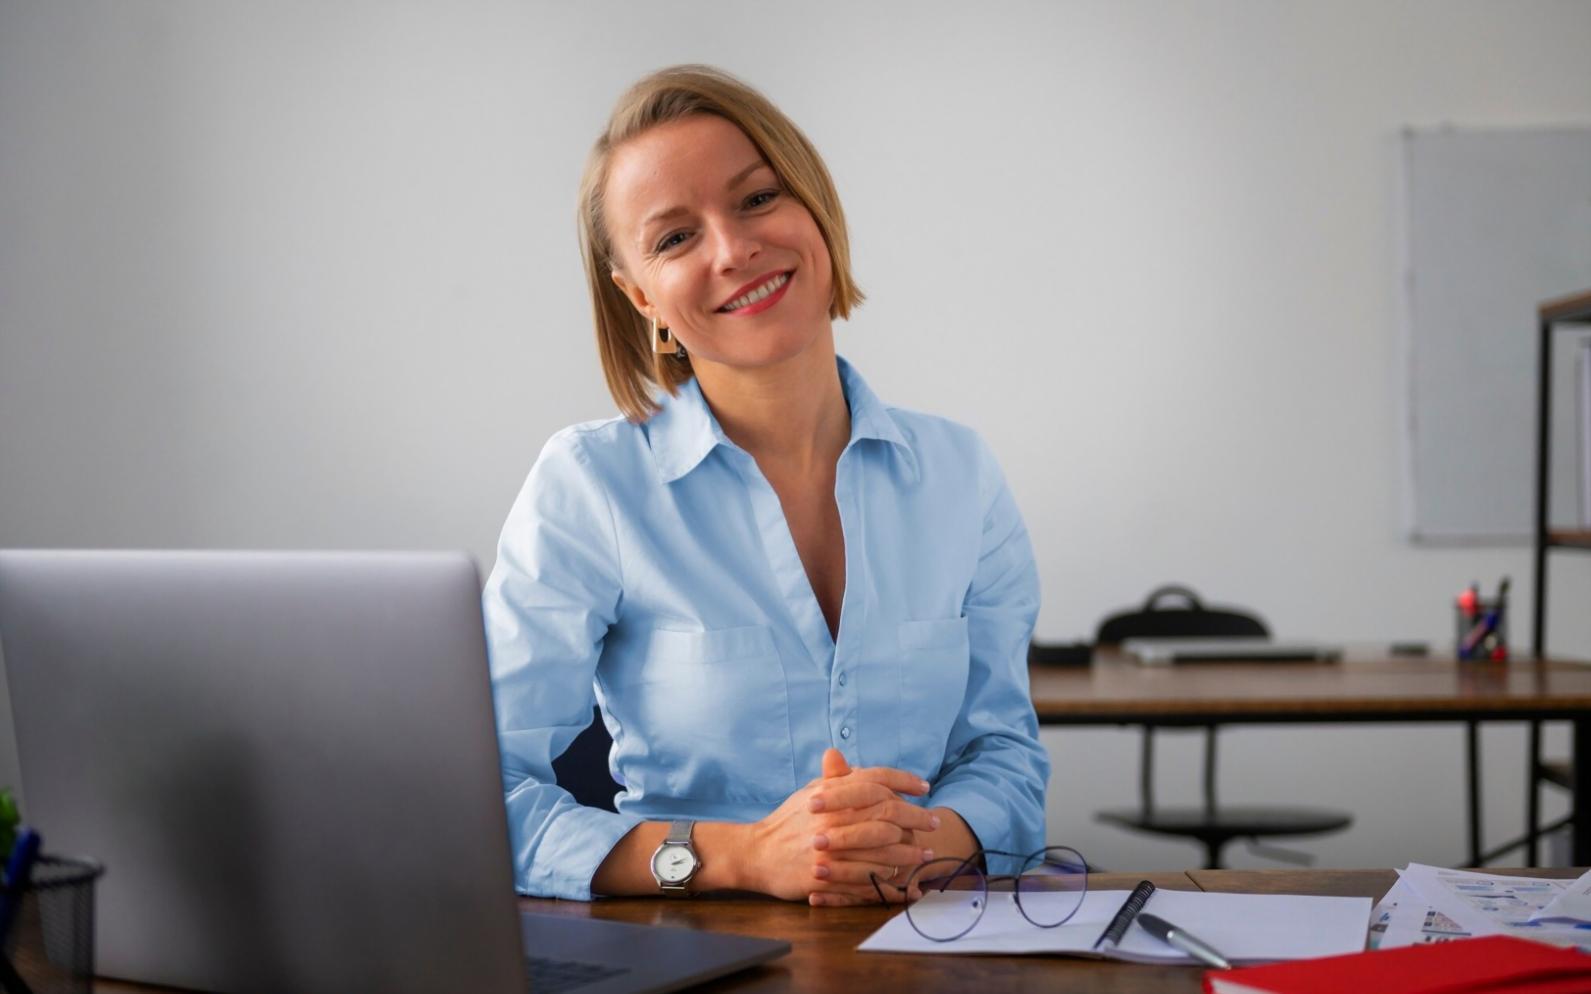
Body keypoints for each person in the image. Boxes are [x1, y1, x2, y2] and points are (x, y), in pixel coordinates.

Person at [483, 65, 1047, 906]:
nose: (733, 248)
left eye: (755, 199)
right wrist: (740, 858)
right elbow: (484, 796)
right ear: (640, 295)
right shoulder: (589, 484)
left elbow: (1005, 757)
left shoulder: (960, 474)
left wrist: (903, 843)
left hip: (926, 938)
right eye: (674, 238)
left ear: (814, 206)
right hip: (694, 954)